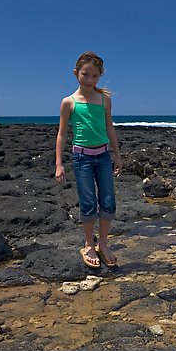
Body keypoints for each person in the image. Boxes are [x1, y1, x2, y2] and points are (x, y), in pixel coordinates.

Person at [55, 51, 122, 268]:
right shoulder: (69, 102)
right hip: (81, 158)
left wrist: (117, 155)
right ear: (76, 73)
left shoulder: (104, 100)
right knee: (88, 203)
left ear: (99, 76)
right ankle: (88, 244)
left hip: (103, 156)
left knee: (108, 201)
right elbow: (62, 134)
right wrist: (59, 164)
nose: (90, 80)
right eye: (86, 75)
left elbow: (109, 127)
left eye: (95, 76)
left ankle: (102, 244)